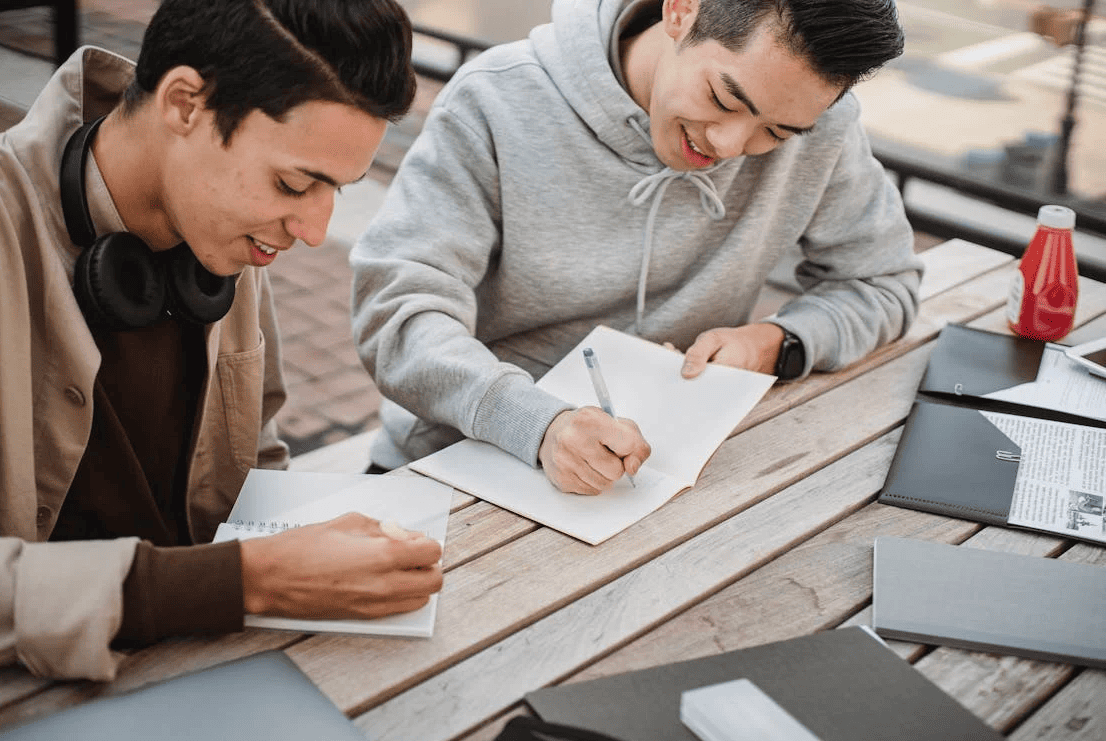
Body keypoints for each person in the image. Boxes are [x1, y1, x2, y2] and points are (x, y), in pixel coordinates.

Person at [0, 0, 443, 681]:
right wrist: (244, 581)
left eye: (337, 192)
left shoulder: (222, 235)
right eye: (295, 182)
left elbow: (254, 463)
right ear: (184, 103)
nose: (316, 230)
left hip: (208, 671)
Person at [351, 0, 923, 494]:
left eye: (776, 133)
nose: (730, 144)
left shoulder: (822, 126)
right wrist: (536, 423)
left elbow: (883, 281)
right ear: (680, 10)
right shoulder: (495, 99)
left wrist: (776, 344)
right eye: (724, 99)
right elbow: (400, 313)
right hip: (458, 464)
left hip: (661, 475)